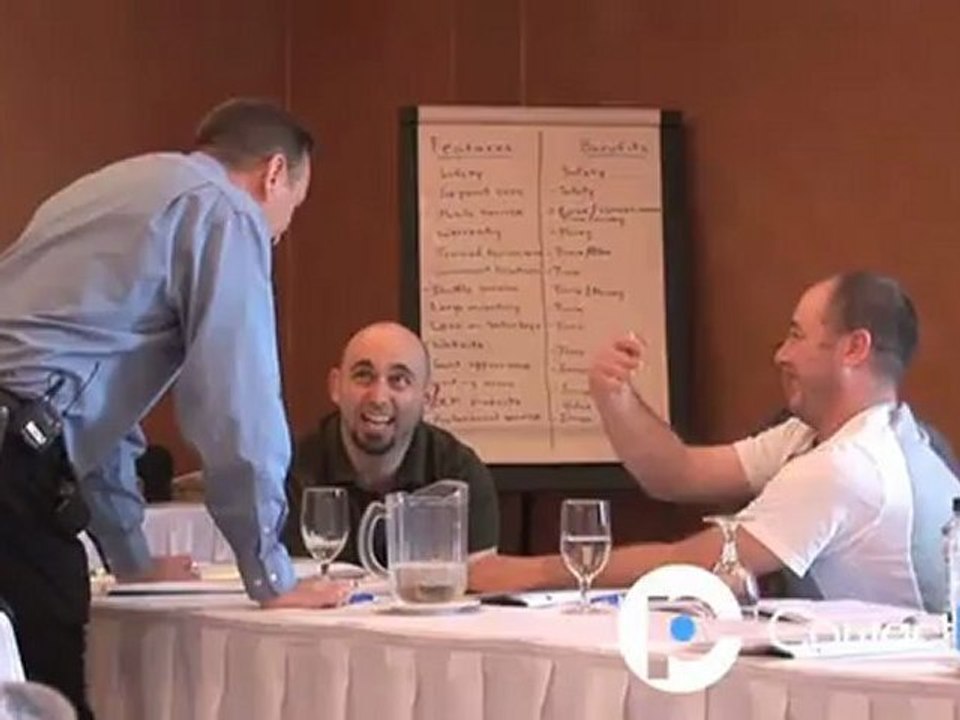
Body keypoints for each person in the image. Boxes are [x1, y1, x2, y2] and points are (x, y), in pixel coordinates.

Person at [0, 98, 347, 719]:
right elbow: (237, 403)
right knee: (42, 696)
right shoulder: (227, 212)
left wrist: (131, 558)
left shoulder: (110, 189)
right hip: (13, 462)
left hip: (21, 441)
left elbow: (97, 400)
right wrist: (270, 575)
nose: (281, 231)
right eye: (293, 207)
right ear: (273, 174)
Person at [470, 272, 959, 612]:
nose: (781, 355)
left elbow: (697, 564)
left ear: (855, 348)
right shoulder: (828, 436)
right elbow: (677, 474)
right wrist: (616, 399)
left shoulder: (849, 466)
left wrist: (525, 573)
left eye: (797, 336)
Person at [284, 322, 499, 564]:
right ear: (336, 387)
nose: (378, 398)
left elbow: (478, 574)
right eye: (363, 376)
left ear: (428, 398)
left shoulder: (459, 474)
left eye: (399, 380)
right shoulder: (290, 471)